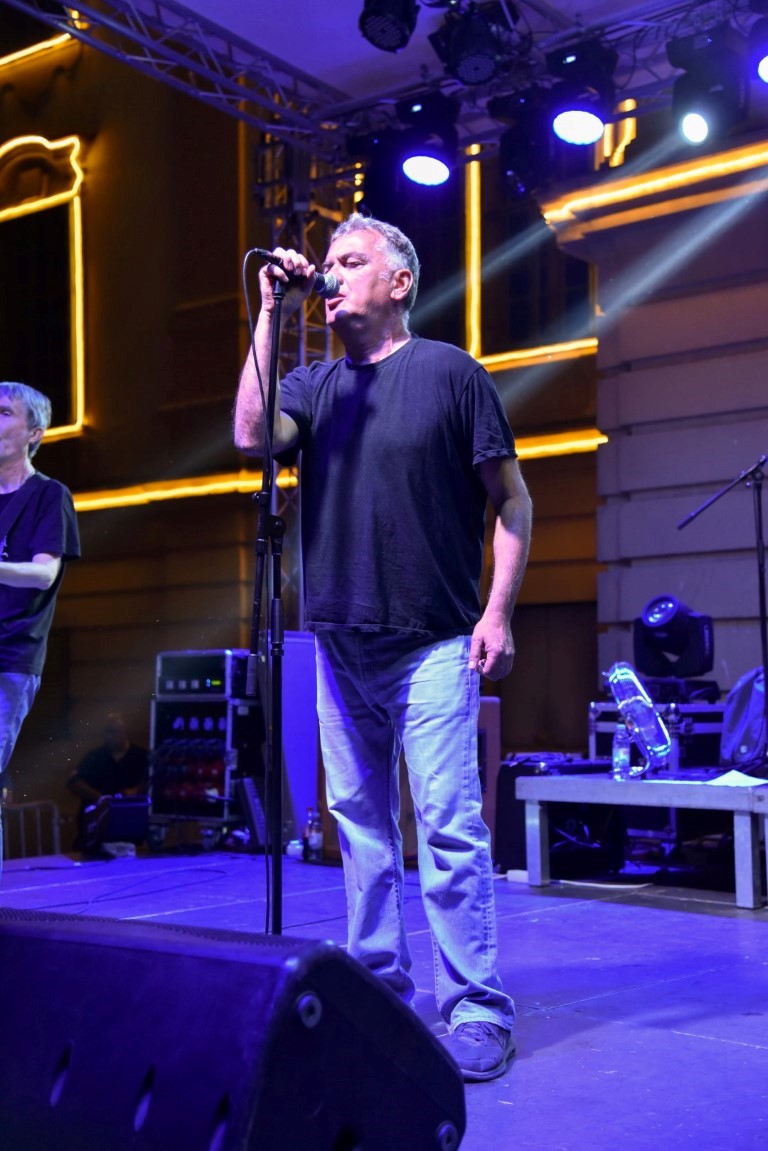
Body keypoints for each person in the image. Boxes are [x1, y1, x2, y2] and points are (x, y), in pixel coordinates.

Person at [233, 214, 532, 1082]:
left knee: (446, 826)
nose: (330, 274)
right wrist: (269, 307)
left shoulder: (451, 373)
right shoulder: (312, 383)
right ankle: (380, 990)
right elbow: (251, 437)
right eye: (326, 262)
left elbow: (513, 502)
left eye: (351, 261)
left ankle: (476, 1006)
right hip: (338, 642)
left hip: (434, 639)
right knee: (360, 831)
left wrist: (499, 612)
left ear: (399, 282)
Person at [0, 381, 80, 871]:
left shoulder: (49, 496)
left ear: (34, 433)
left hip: (10, 654)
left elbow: (44, 573)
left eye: (4, 412)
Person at [67, 712, 148, 848]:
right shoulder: (95, 757)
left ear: (126, 732)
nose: (109, 737)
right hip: (96, 827)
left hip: (129, 826)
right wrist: (101, 798)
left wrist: (134, 792)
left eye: (114, 732)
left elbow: (152, 782)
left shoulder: (141, 757)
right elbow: (74, 782)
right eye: (107, 732)